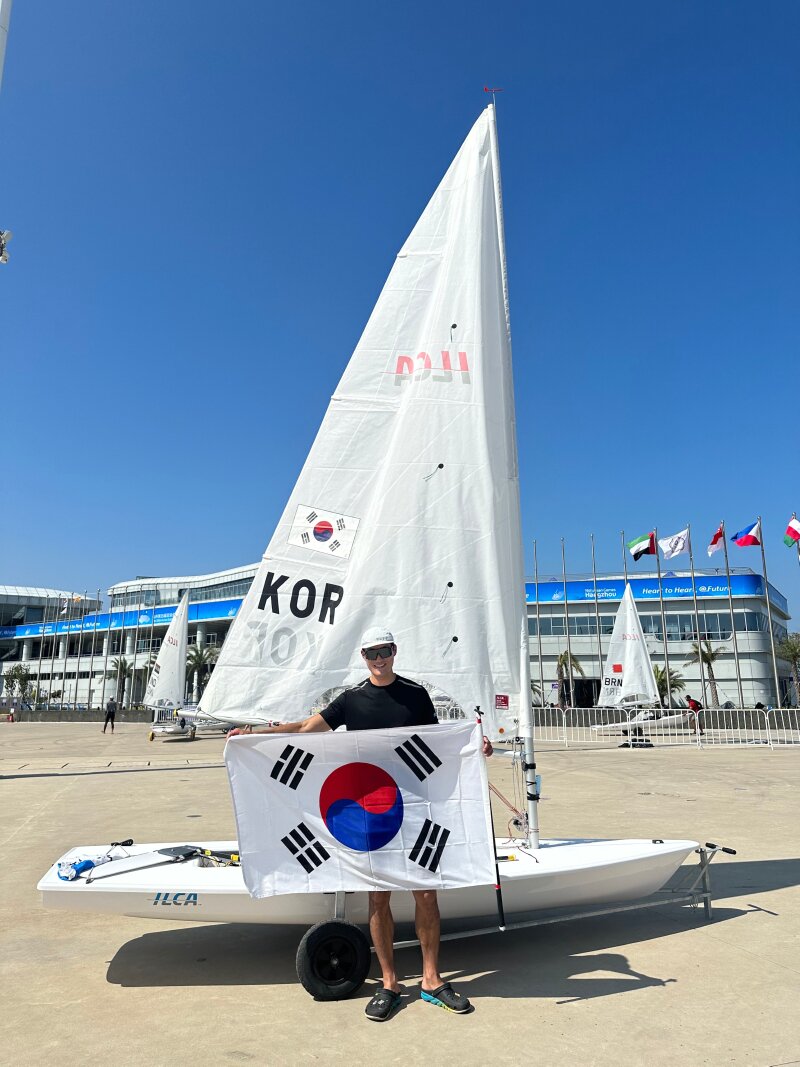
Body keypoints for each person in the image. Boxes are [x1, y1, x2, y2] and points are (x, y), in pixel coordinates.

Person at [228, 626, 492, 1022]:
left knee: (426, 895)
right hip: (368, 811)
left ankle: (432, 980)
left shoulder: (415, 696)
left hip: (415, 806)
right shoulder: (351, 701)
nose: (378, 658)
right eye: (371, 653)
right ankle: (389, 982)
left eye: (384, 651)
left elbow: (440, 742)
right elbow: (304, 731)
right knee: (378, 897)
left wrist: (475, 746)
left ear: (394, 651)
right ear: (363, 656)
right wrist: (251, 735)